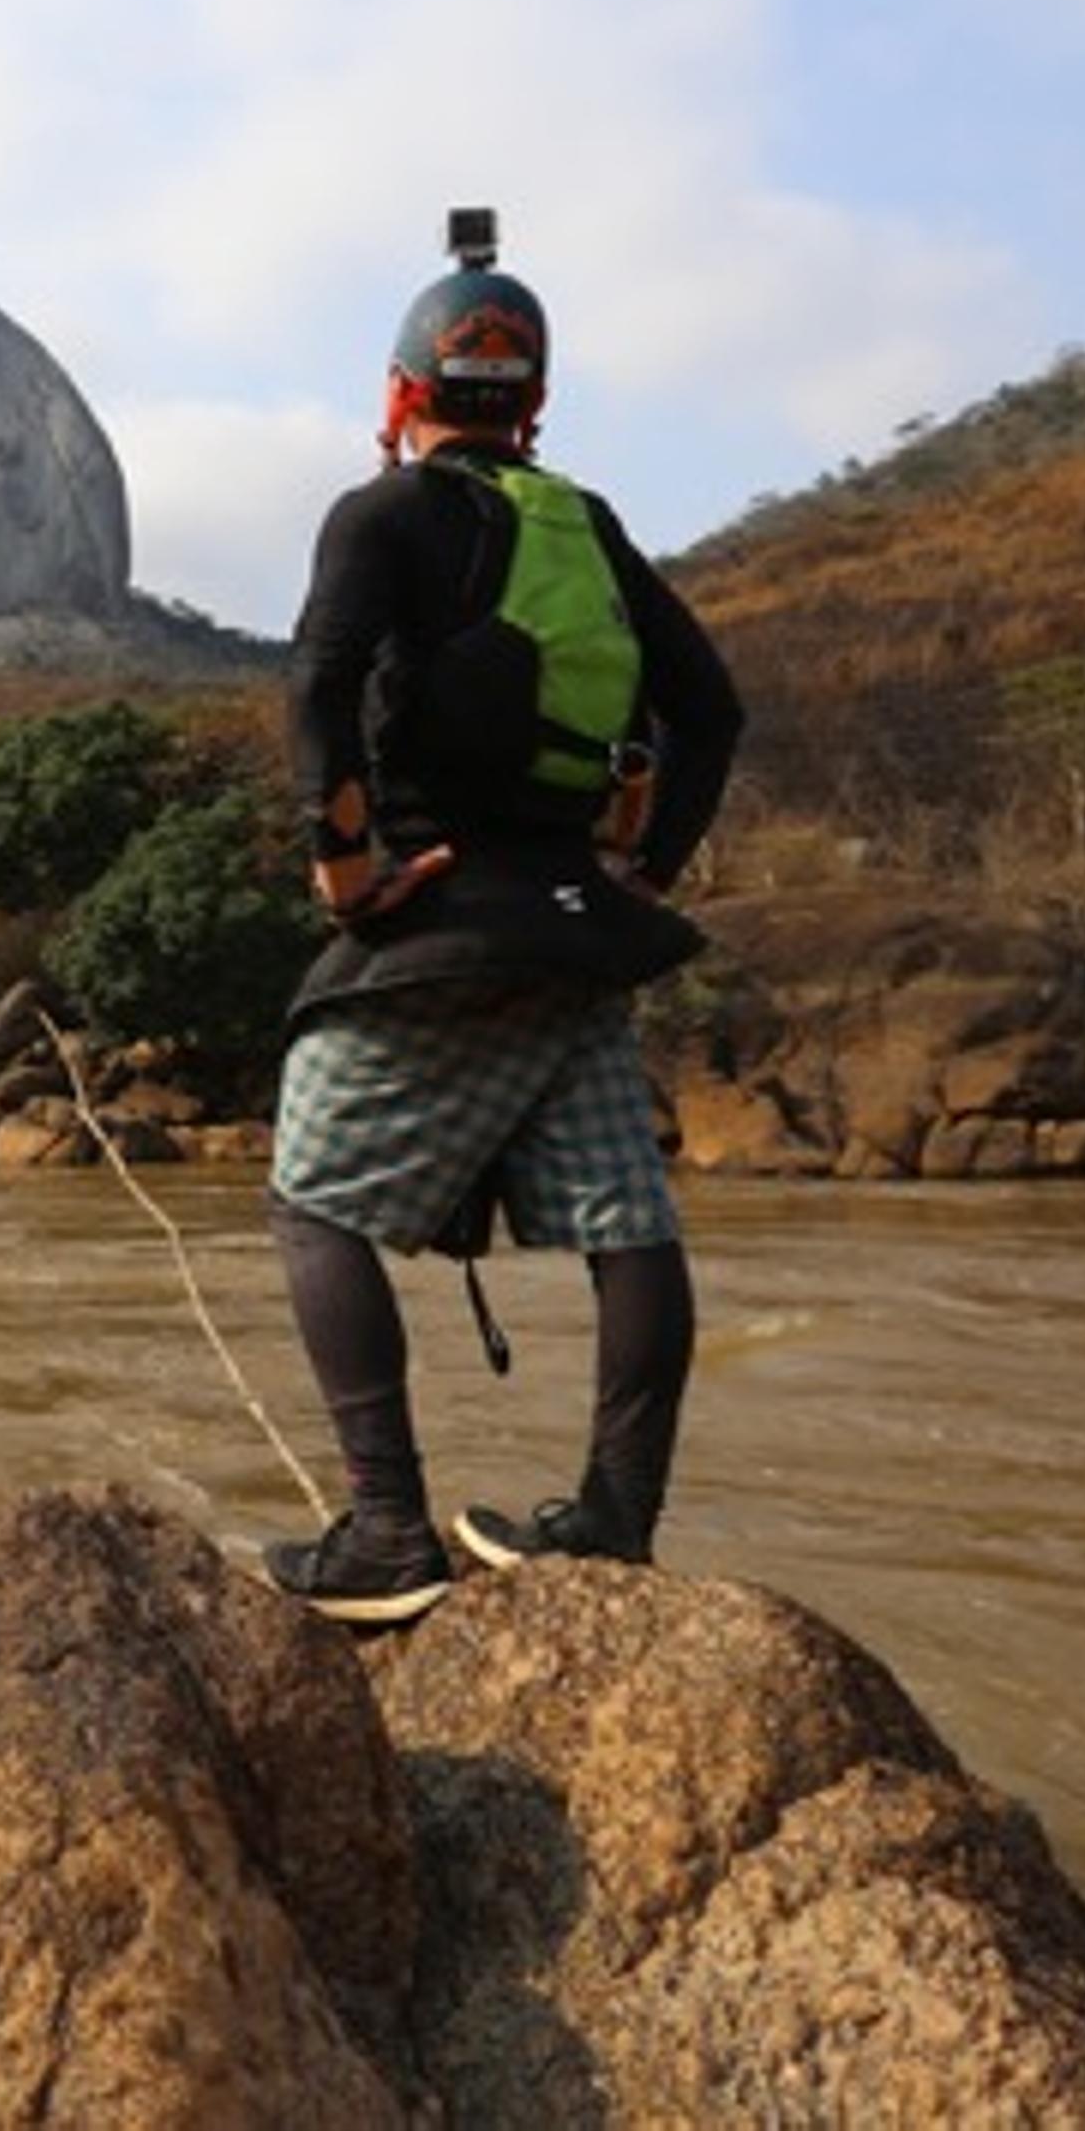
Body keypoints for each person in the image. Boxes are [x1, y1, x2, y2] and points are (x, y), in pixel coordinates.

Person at [259, 210, 744, 1626]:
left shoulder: (383, 511)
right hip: (582, 931)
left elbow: (319, 686)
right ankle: (615, 1521)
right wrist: (647, 863)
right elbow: (710, 709)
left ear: (404, 400)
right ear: (532, 407)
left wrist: (342, 865)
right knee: (626, 1221)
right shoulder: (585, 522)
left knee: (309, 1201)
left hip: (440, 918)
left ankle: (387, 1527)